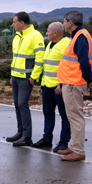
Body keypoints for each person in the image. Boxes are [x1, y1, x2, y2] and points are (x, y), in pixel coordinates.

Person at [57, 11, 92, 161]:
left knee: (75, 117)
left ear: (70, 22)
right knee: (73, 116)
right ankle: (74, 147)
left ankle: (78, 151)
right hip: (72, 82)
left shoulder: (80, 37)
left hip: (74, 83)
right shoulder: (80, 36)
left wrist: (89, 78)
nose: (63, 24)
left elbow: (84, 62)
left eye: (64, 21)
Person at [29, 22, 71, 151]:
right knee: (48, 113)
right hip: (47, 85)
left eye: (48, 31)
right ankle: (47, 139)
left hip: (59, 87)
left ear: (55, 33)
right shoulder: (49, 45)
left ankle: (64, 141)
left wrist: (62, 83)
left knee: (64, 115)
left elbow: (70, 66)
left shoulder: (67, 44)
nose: (46, 33)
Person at [6, 12, 45, 147]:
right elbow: (15, 58)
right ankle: (20, 132)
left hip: (27, 78)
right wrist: (12, 75)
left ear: (22, 23)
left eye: (15, 22)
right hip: (16, 77)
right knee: (17, 105)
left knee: (23, 104)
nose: (13, 24)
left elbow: (40, 58)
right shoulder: (17, 37)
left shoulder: (35, 35)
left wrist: (34, 76)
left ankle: (27, 136)